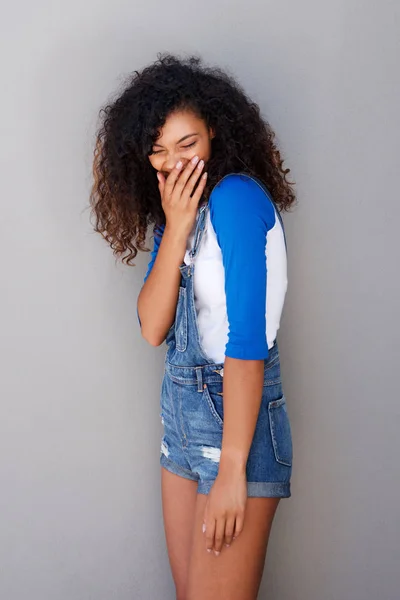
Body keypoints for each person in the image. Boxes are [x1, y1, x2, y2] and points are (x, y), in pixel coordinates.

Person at [90, 53, 295, 600]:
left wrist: (233, 469)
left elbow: (248, 343)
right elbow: (153, 328)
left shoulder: (236, 200)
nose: (175, 163)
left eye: (188, 144)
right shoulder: (177, 215)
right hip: (180, 426)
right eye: (158, 151)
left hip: (235, 427)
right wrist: (176, 226)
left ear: (216, 136)